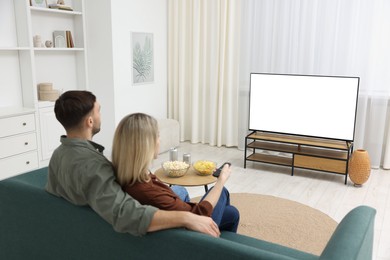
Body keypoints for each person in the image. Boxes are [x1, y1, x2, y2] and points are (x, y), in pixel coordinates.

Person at [46, 90, 220, 237]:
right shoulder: (94, 167)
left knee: (179, 191)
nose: (101, 115)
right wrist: (186, 218)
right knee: (213, 206)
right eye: (98, 111)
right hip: (113, 234)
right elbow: (125, 215)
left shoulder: (58, 155)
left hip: (76, 228)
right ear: (90, 121)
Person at [112, 113, 240, 232]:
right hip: (192, 232)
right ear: (146, 145)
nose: (159, 141)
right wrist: (221, 180)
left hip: (171, 213)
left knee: (182, 190)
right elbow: (199, 213)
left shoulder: (124, 174)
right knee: (222, 192)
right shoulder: (150, 193)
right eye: (158, 136)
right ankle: (215, 241)